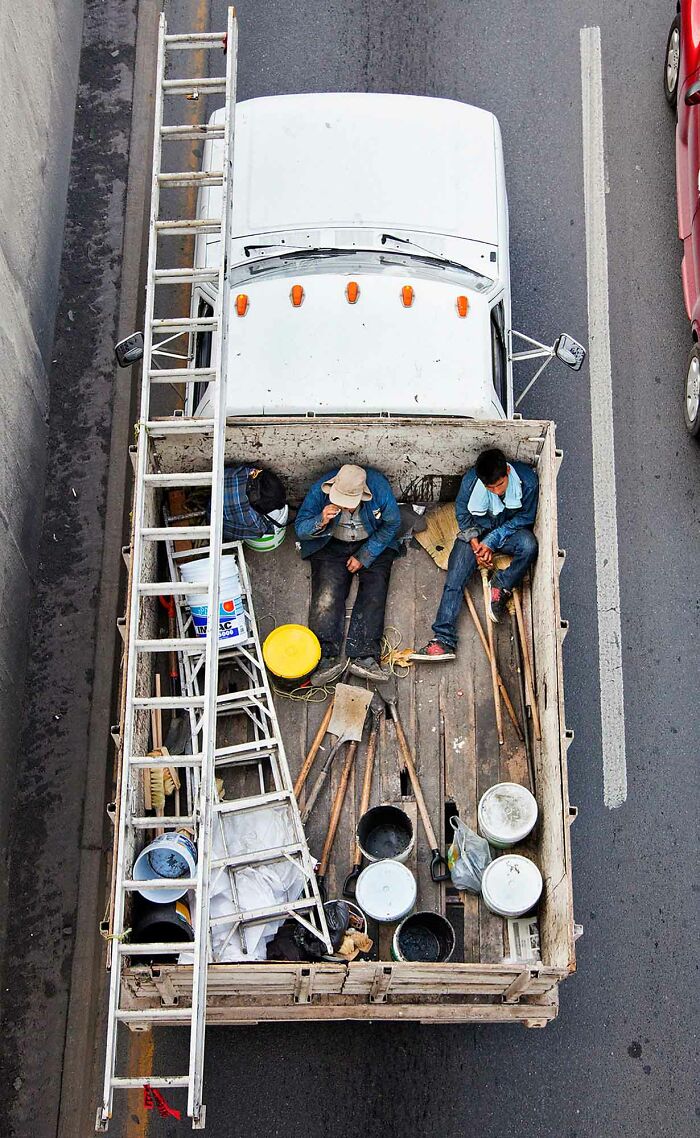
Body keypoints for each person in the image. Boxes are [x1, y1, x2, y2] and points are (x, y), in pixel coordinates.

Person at [412, 448, 539, 661]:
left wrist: (492, 541)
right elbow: (462, 514)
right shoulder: (471, 481)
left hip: (509, 532)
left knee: (529, 546)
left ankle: (501, 585)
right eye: (490, 488)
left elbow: (524, 518)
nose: (496, 491)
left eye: (500, 485)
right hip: (477, 533)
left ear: (508, 471)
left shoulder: (528, 482)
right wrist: (476, 545)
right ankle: (443, 639)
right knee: (454, 579)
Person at [295, 463, 401, 684]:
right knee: (326, 594)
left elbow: (392, 524)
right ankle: (325, 657)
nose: (343, 507)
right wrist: (321, 520)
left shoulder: (379, 488)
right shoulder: (320, 490)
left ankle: (364, 655)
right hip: (331, 543)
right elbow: (300, 529)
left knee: (375, 590)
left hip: (370, 540)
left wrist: (365, 555)